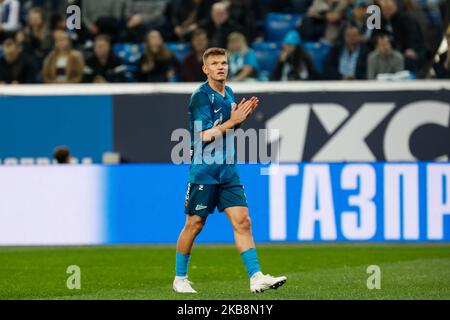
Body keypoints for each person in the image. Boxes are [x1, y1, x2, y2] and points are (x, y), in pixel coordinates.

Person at [173, 47, 287, 294]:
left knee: (243, 221)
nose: (220, 67)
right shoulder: (200, 97)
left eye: (223, 62)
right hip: (204, 171)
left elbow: (227, 129)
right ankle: (180, 278)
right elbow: (201, 136)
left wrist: (239, 120)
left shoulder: (229, 93)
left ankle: (256, 277)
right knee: (194, 224)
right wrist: (234, 122)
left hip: (228, 171)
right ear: (205, 69)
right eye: (214, 64)